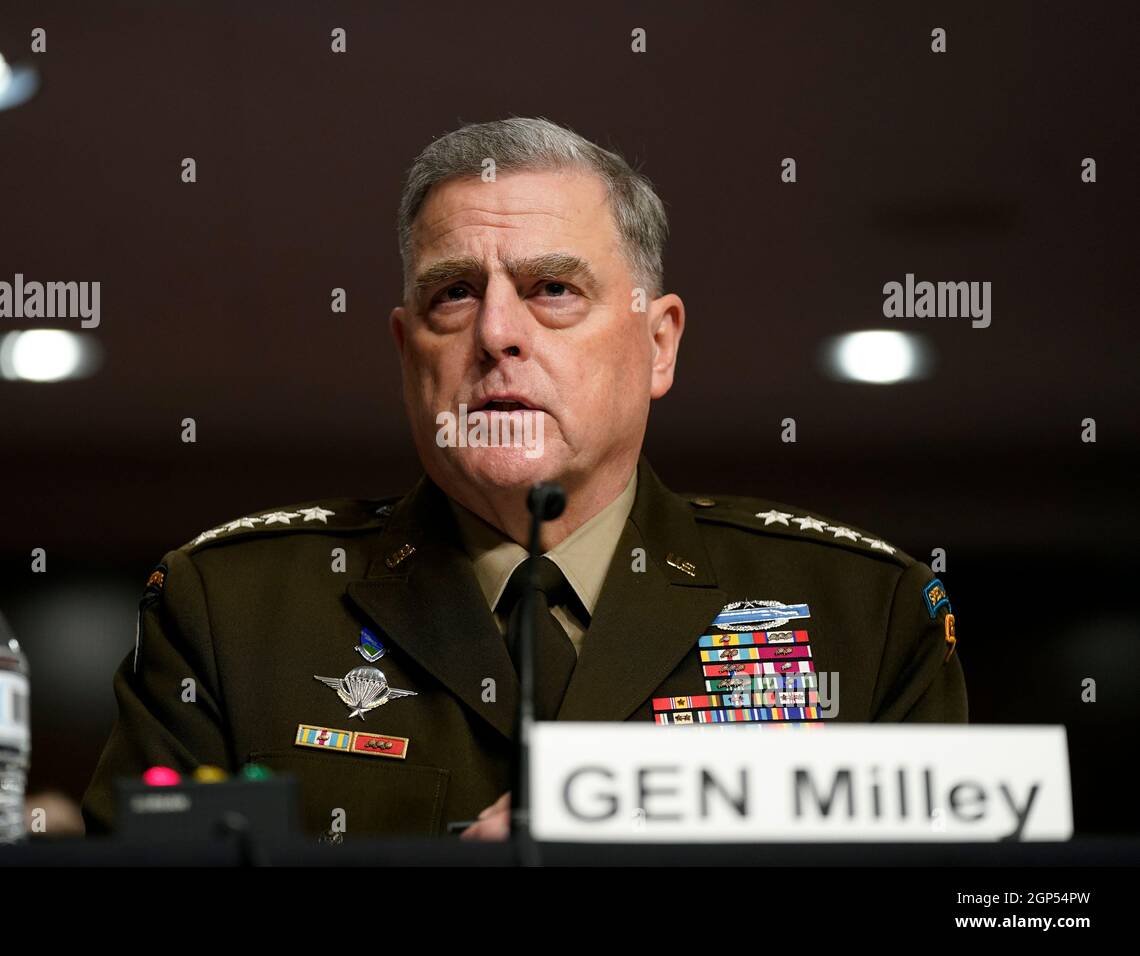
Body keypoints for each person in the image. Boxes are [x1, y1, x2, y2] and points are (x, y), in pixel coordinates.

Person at [81, 117, 966, 842]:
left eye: (552, 289)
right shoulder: (231, 609)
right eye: (454, 293)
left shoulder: (863, 611)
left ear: (658, 344)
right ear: (407, 353)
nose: (496, 332)